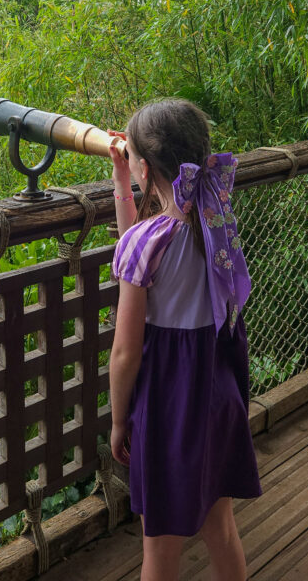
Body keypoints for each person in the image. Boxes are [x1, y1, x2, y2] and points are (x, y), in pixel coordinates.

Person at [106, 98, 261, 581]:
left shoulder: (146, 242)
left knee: (160, 545)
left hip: (168, 403)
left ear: (146, 167)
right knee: (222, 526)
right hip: (215, 393)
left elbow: (125, 352)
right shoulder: (217, 226)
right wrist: (122, 186)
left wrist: (117, 420)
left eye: (131, 159)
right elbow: (140, 244)